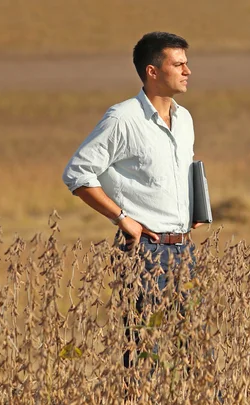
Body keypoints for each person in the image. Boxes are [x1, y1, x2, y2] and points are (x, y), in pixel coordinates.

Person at [62, 31, 205, 366]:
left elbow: (180, 169)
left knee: (198, 354)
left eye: (187, 63)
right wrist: (121, 217)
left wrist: (194, 207)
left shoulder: (185, 119)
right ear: (153, 71)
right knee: (144, 354)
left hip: (185, 249)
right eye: (178, 64)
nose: (188, 71)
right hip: (144, 251)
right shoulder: (122, 118)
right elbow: (77, 173)